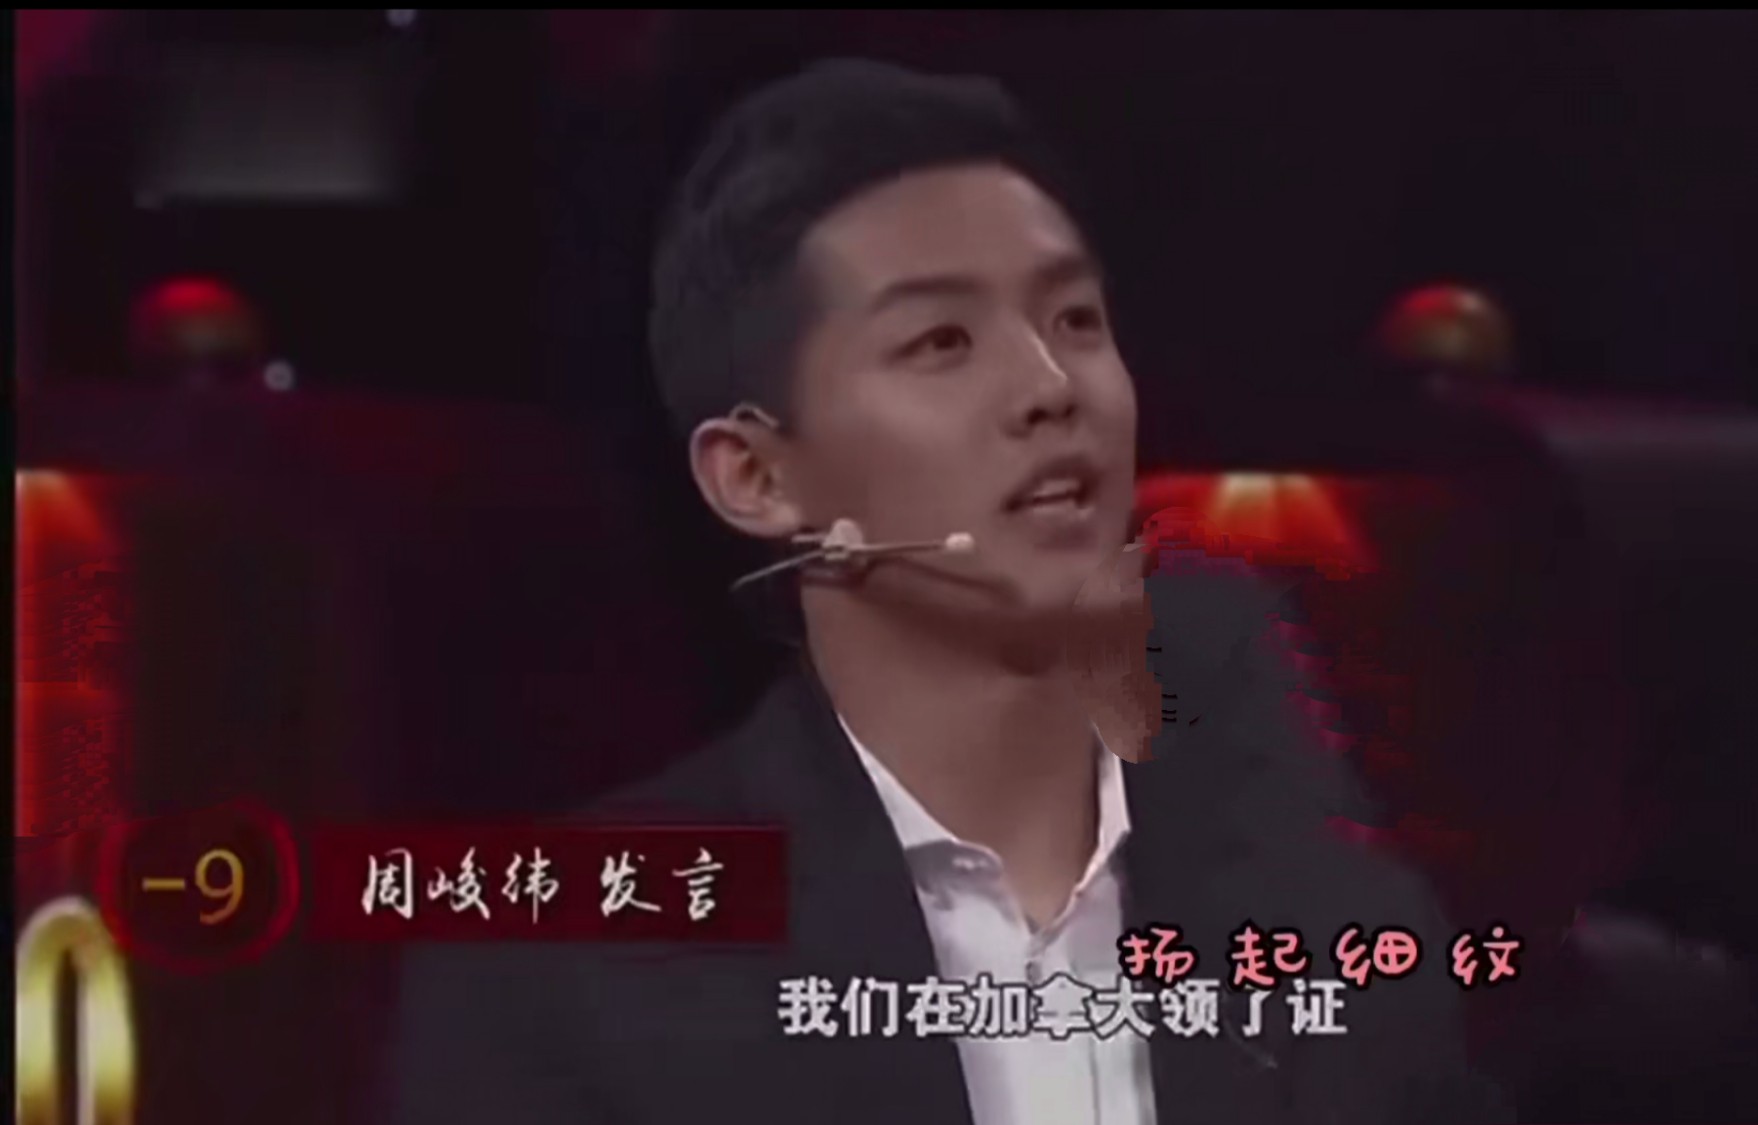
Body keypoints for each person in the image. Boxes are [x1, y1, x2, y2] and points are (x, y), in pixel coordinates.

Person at [385, 59, 1506, 1125]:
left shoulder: (1324, 912)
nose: (1050, 389)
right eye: (941, 341)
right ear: (757, 476)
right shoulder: (563, 978)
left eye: (1074, 320)